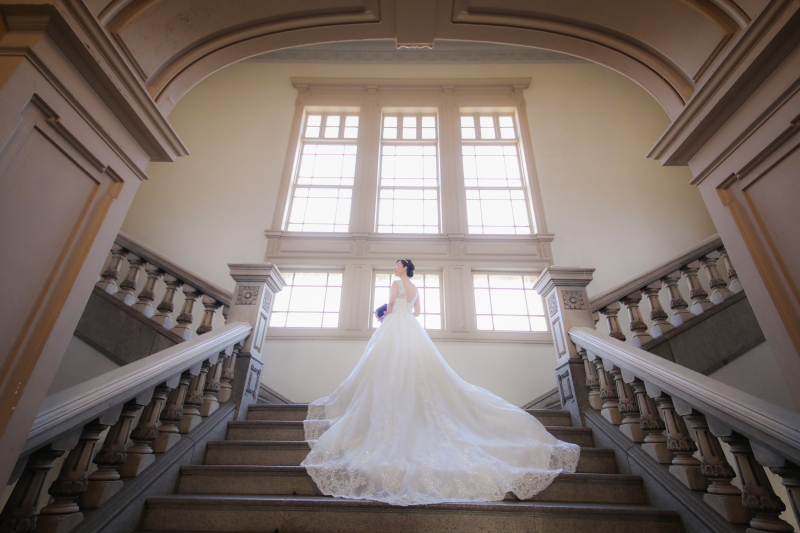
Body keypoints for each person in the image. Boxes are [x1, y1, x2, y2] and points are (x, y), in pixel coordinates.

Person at [301, 259, 579, 506]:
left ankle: (392, 401)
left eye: (398, 264)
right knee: (416, 368)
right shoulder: (416, 289)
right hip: (411, 327)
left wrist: (386, 315)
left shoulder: (396, 283)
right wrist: (402, 313)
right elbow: (417, 313)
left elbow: (390, 307)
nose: (395, 268)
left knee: (385, 365)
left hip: (395, 325)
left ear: (404, 269)